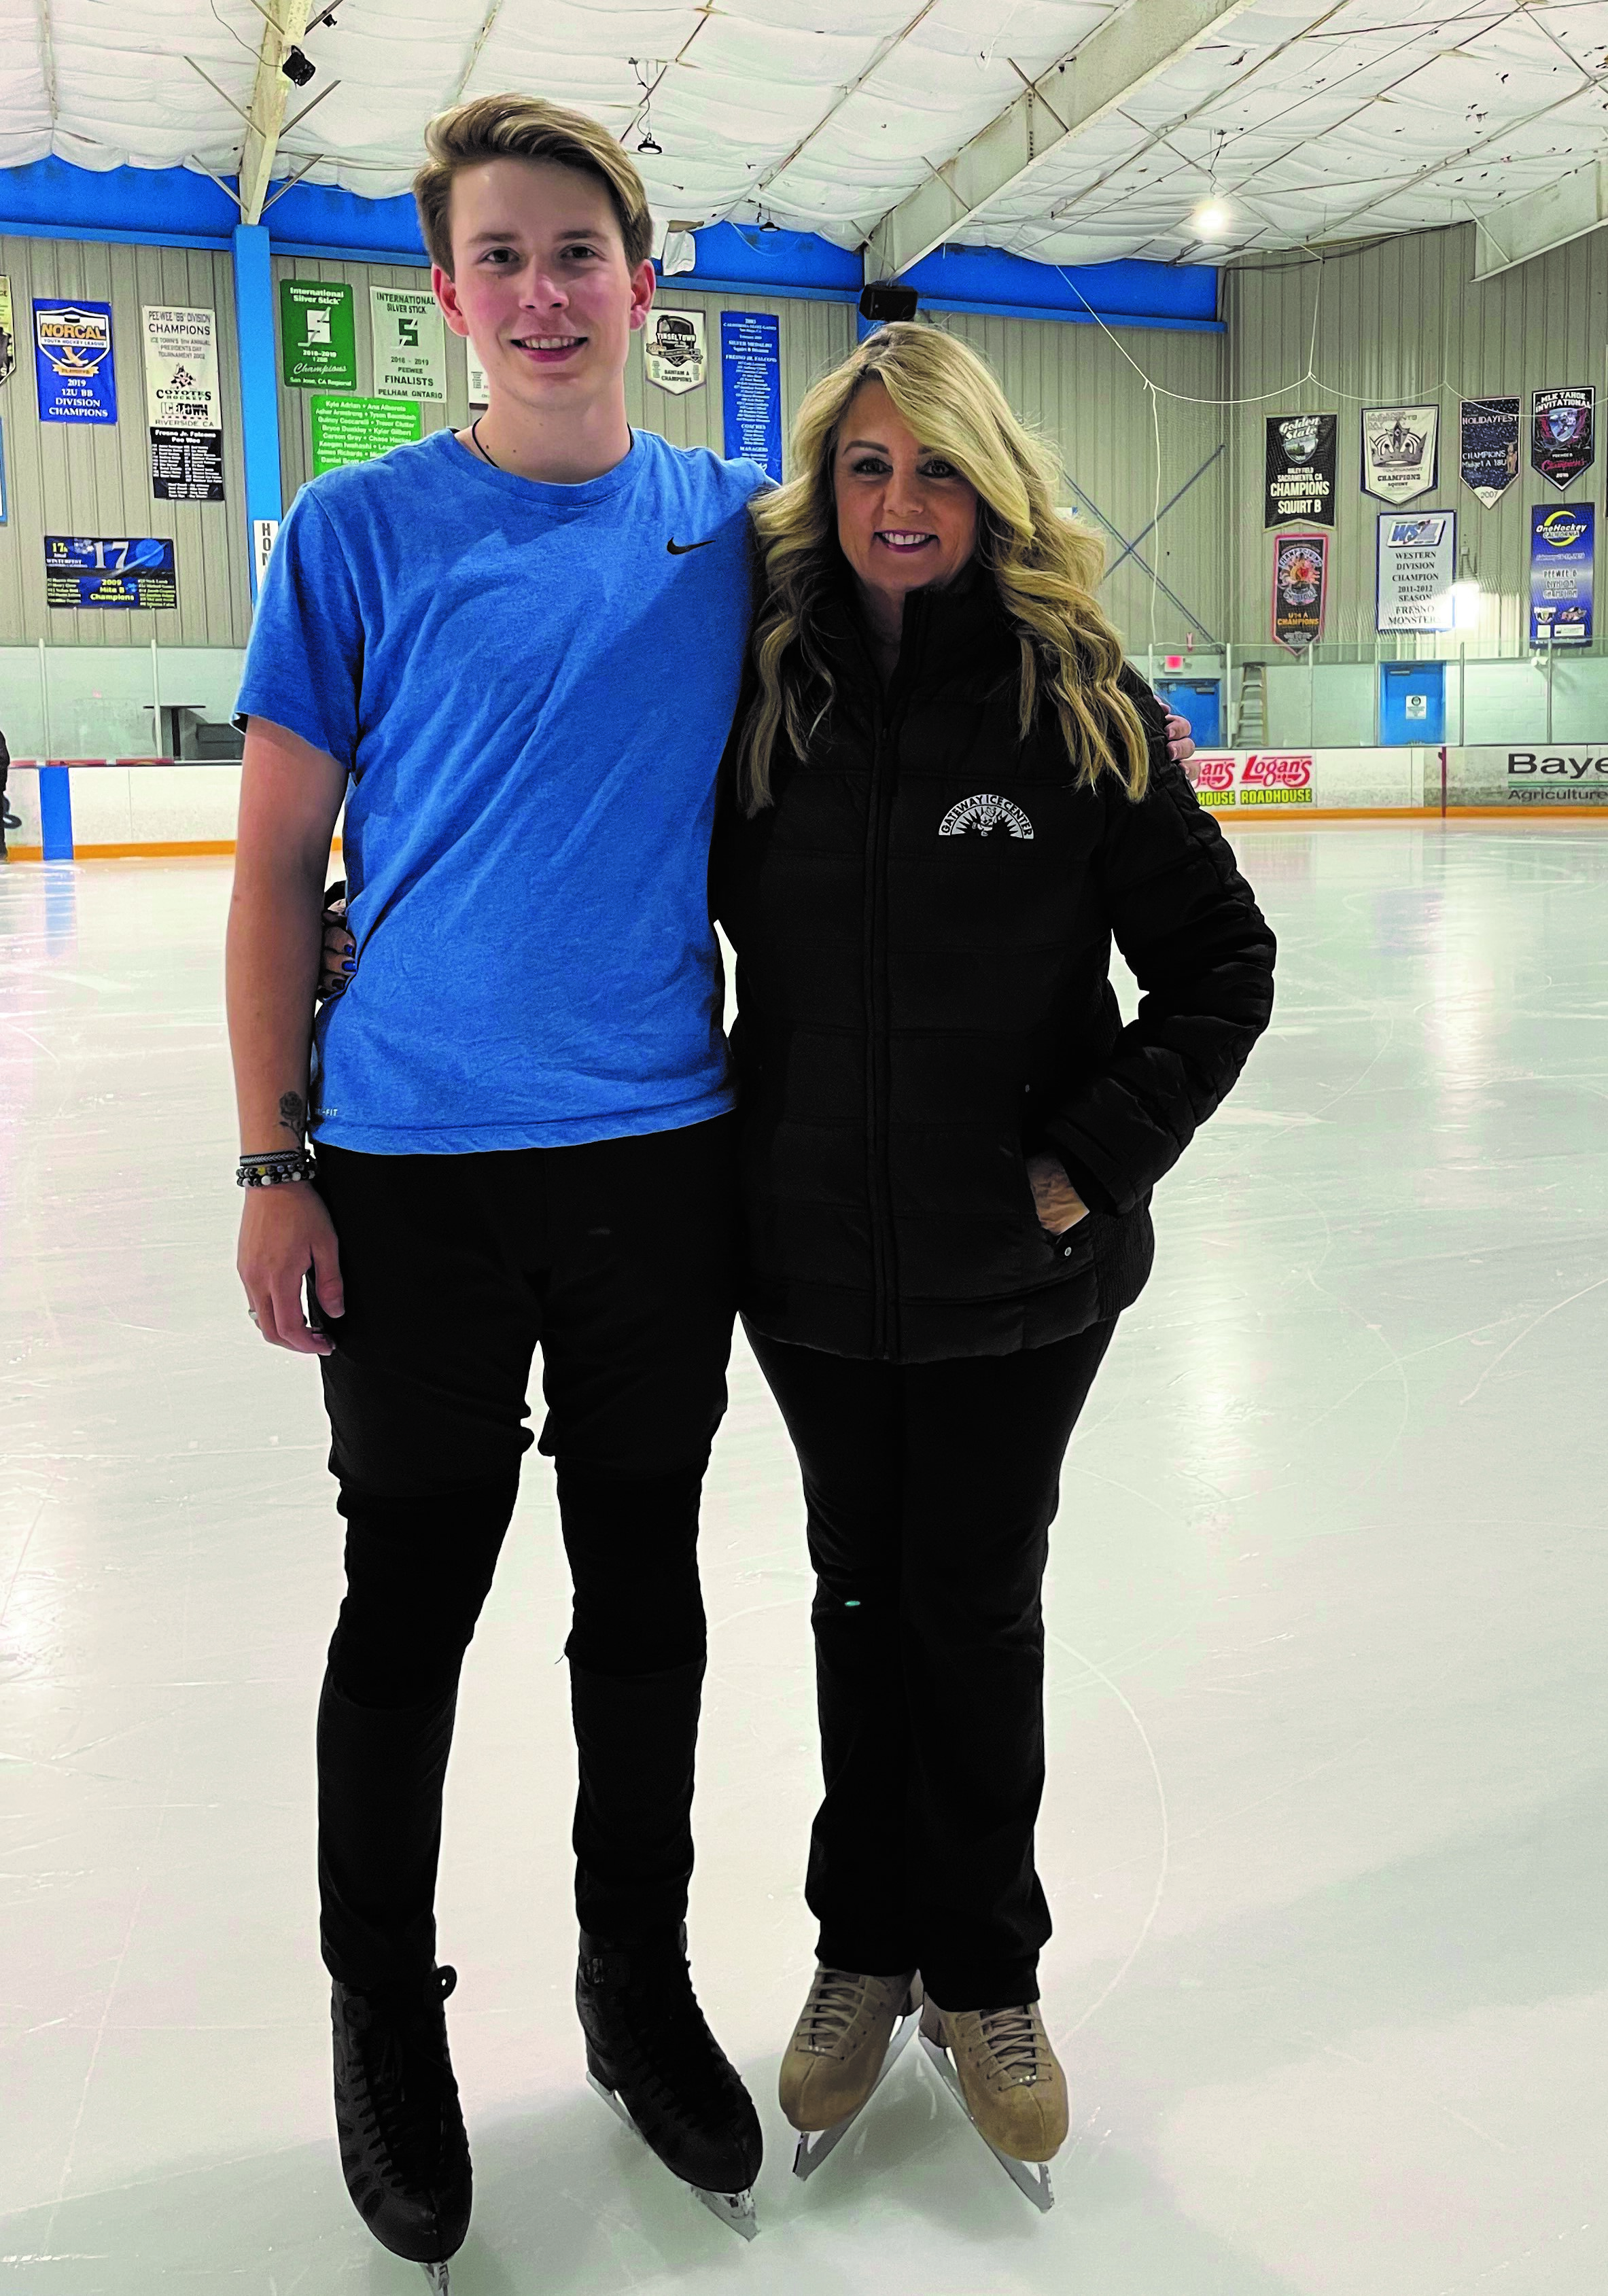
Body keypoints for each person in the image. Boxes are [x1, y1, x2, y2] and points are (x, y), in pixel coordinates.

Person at [227, 94, 771, 2280]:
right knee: (414, 1619)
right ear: (445, 296)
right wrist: (273, 1156)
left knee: (643, 1603)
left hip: (662, 1161)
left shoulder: (731, 535)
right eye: (501, 257)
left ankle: (630, 1980)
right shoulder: (354, 535)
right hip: (417, 1174)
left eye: (579, 252)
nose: (542, 293)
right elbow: (273, 875)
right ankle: (387, 2017)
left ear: (645, 281)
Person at [708, 323, 1276, 2187]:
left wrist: (1086, 1160)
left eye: (933, 469)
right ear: (824, 489)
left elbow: (1218, 964)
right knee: (857, 1606)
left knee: (970, 1611)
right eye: (865, 468)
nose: (897, 503)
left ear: (989, 486)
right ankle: (862, 1954)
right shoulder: (765, 702)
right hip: (808, 1269)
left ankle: (986, 1972)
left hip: (1014, 1287)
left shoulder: (1075, 707)